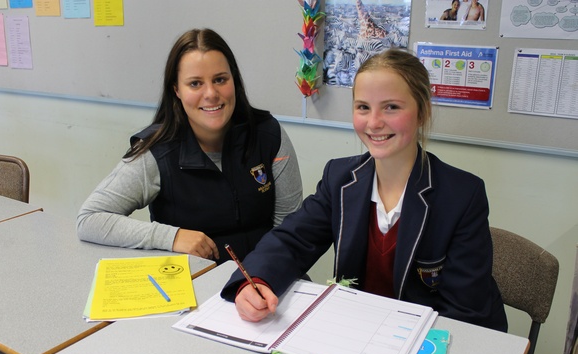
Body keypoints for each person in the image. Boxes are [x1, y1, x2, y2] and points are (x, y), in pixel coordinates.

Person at [221, 48, 508, 332]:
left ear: (422, 112)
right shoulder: (340, 179)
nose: (374, 122)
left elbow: (464, 314)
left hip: (426, 340)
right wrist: (255, 280)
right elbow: (291, 240)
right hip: (361, 332)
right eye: (363, 107)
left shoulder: (461, 196)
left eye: (391, 107)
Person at [77, 28, 303, 264]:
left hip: (266, 274)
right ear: (176, 90)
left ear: (234, 80)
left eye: (220, 80)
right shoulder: (156, 152)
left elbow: (289, 229)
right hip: (194, 280)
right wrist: (172, 237)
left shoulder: (269, 135)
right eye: (195, 83)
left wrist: (264, 275)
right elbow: (90, 219)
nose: (211, 93)